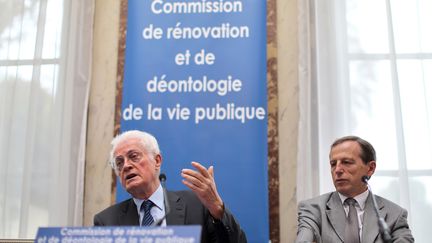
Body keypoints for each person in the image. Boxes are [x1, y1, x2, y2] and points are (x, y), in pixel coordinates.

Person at [94, 130, 247, 243]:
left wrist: (217, 208)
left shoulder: (197, 204)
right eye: (119, 163)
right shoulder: (107, 221)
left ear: (157, 160)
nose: (126, 165)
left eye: (133, 156)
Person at [296, 136, 414, 243]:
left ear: (370, 168)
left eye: (346, 162)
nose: (337, 170)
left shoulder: (395, 214)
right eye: (333, 164)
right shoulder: (313, 209)